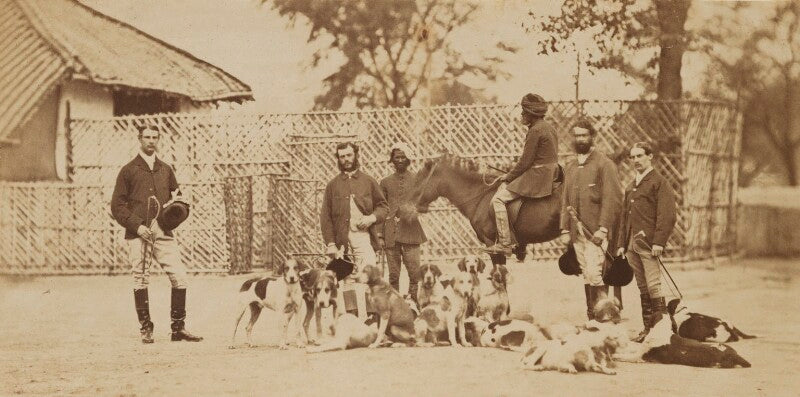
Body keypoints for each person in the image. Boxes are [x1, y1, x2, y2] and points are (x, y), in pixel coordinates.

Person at [111, 126, 202, 344]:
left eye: (154, 137)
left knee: (179, 277)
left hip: (163, 231)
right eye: (147, 137)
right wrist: (137, 226)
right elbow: (117, 206)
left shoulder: (166, 169)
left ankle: (178, 329)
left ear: (158, 140)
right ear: (139, 139)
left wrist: (175, 213)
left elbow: (178, 198)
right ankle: (146, 328)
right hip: (139, 233)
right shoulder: (128, 170)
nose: (151, 141)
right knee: (140, 278)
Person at [559, 118, 622, 321]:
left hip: (595, 230)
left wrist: (603, 228)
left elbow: (612, 199)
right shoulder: (570, 166)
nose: (580, 139)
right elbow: (565, 200)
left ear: (592, 137)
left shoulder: (605, 164)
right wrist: (564, 230)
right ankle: (592, 317)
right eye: (577, 135)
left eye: (584, 135)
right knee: (586, 272)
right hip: (576, 231)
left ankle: (605, 315)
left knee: (595, 273)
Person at [615, 142, 677, 342]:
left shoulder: (659, 182)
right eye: (633, 157)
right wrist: (621, 243)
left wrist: (659, 241)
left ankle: (662, 330)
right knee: (642, 286)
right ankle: (648, 329)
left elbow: (667, 215)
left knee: (654, 286)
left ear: (650, 157)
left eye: (640, 156)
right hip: (632, 245)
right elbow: (625, 217)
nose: (636, 160)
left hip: (649, 244)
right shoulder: (631, 186)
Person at [487, 93, 559, 255]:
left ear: (531, 115)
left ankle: (505, 243)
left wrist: (509, 176)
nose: (521, 115)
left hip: (538, 174)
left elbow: (525, 162)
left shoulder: (535, 130)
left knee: (498, 199)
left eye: (523, 112)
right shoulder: (550, 127)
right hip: (553, 172)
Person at [320, 142, 388, 272]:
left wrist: (372, 218)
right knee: (345, 281)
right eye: (342, 156)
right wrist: (331, 243)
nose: (346, 159)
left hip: (363, 237)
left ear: (356, 155)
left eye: (349, 155)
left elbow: (383, 207)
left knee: (368, 275)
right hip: (340, 242)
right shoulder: (332, 185)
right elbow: (325, 217)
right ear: (338, 159)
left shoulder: (368, 181)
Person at [380, 143, 427, 302]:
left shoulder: (417, 179)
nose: (400, 160)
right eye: (396, 157)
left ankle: (414, 303)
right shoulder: (385, 182)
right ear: (392, 160)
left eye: (403, 157)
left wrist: (410, 211)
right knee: (393, 275)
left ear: (408, 159)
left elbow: (422, 204)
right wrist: (380, 235)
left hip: (411, 232)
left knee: (415, 273)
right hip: (391, 233)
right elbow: (381, 208)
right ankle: (395, 305)